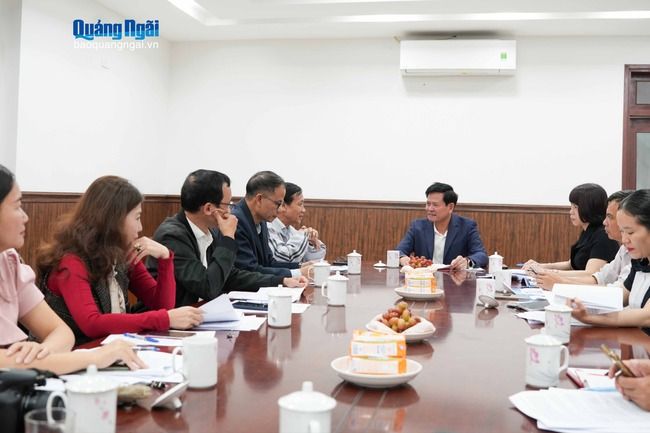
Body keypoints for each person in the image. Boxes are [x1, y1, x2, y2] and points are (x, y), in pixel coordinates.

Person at [0, 165, 145, 374]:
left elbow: (61, 332)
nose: (25, 217)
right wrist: (94, 357)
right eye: (17, 207)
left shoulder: (9, 262)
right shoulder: (72, 260)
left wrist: (39, 355)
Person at [37, 176, 203, 345]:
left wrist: (165, 258)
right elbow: (92, 324)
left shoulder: (121, 253)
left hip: (107, 348)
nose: (140, 227)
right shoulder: (71, 262)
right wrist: (164, 319)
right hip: (70, 352)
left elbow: (162, 306)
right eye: (137, 217)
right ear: (114, 219)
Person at [150, 170, 306, 307]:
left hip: (201, 312)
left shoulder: (209, 231)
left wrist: (280, 281)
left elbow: (230, 276)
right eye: (227, 204)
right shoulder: (173, 236)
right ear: (209, 208)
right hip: (173, 320)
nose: (231, 211)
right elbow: (207, 287)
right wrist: (228, 239)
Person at [570, 189, 650, 333]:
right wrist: (573, 297)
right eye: (622, 231)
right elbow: (618, 296)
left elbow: (646, 316)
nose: (624, 240)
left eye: (630, 232)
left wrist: (589, 317)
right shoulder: (640, 262)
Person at [536, 190, 633, 289]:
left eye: (575, 207)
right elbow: (599, 278)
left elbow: (618, 292)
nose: (604, 222)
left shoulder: (603, 236)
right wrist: (551, 275)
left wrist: (559, 282)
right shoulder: (623, 249)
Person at [525, 183, 619, 274]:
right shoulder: (588, 231)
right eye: (571, 206)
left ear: (590, 208)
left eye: (575, 207)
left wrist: (547, 272)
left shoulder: (604, 235)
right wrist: (540, 266)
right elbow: (571, 264)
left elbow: (590, 274)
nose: (571, 212)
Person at [232, 171, 311, 278]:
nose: (280, 209)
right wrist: (298, 273)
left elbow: (269, 263)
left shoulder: (262, 220)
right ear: (259, 199)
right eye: (278, 203)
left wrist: (300, 266)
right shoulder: (236, 221)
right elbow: (249, 270)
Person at [396, 182, 488, 271]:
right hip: (425, 278)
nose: (430, 209)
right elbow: (399, 251)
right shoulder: (417, 226)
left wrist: (467, 262)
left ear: (450, 207)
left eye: (435, 205)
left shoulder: (466, 226)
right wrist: (402, 258)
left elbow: (481, 255)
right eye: (428, 204)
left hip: (454, 279)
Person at [267, 182, 326, 263]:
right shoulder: (268, 228)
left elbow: (316, 259)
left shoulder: (291, 230)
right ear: (282, 206)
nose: (303, 210)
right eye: (300, 204)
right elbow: (283, 258)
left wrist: (311, 243)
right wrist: (302, 235)